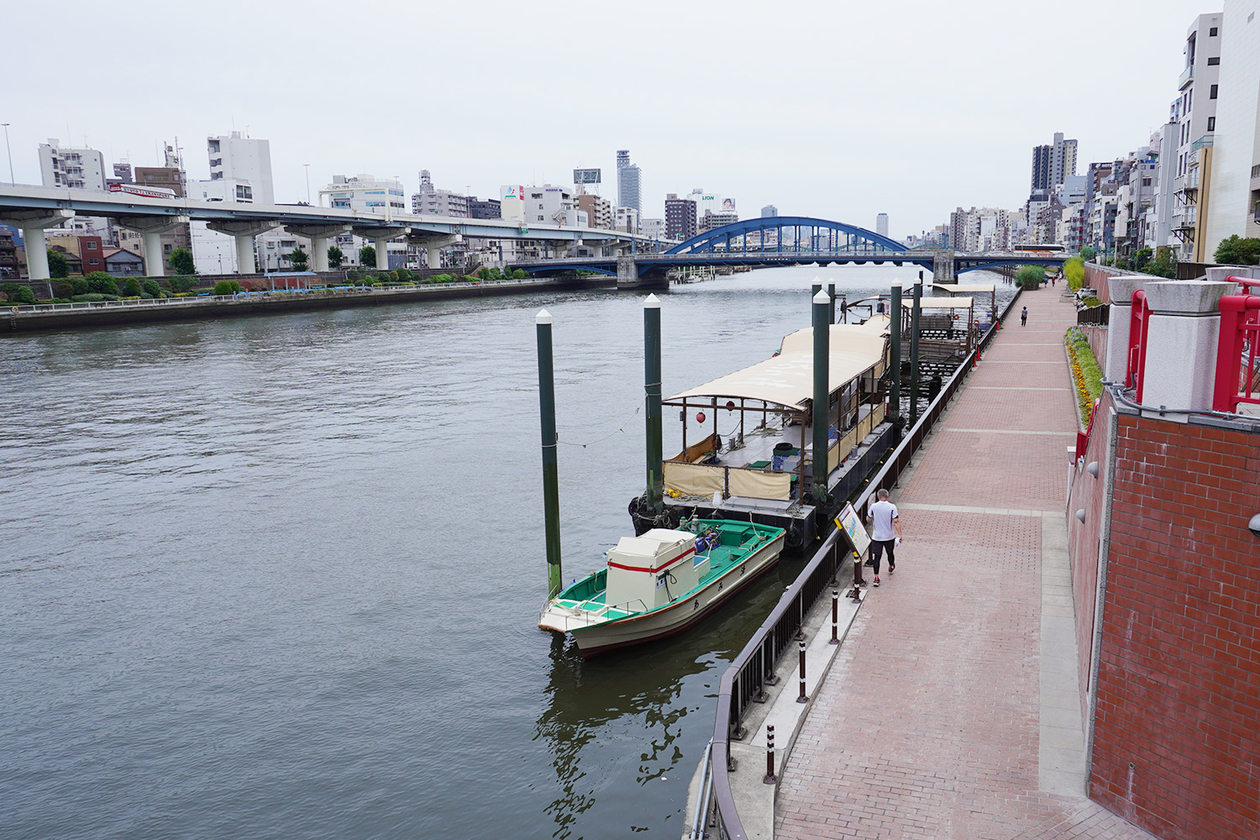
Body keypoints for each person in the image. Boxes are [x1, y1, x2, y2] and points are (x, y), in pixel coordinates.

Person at [865, 489, 902, 587]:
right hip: (889, 536)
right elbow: (896, 521)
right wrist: (900, 535)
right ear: (888, 496)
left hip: (877, 537)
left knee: (877, 557)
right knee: (890, 553)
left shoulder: (873, 506)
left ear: (878, 496)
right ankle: (890, 566)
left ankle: (876, 577)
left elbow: (868, 519)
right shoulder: (892, 507)